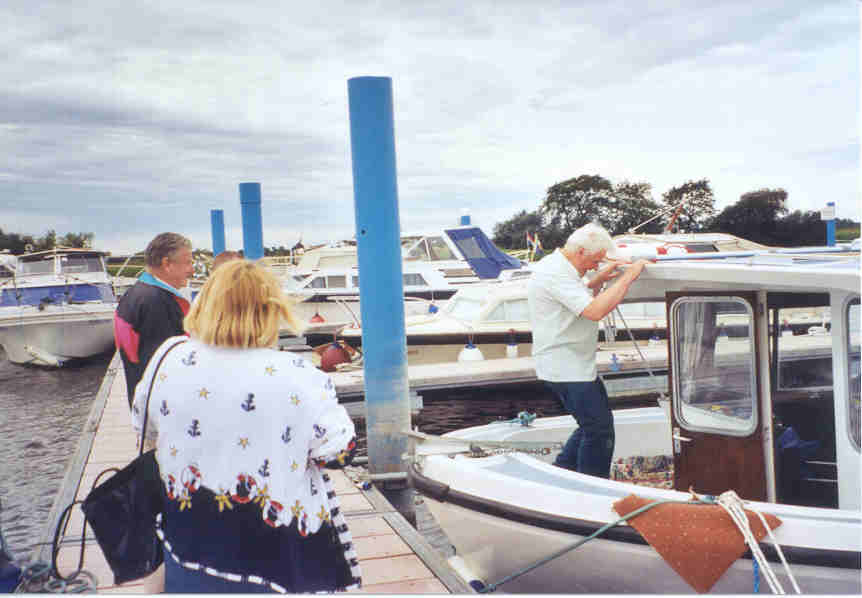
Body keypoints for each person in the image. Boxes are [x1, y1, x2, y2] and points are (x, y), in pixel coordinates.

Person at [131, 260, 361, 593]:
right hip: (277, 557)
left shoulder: (168, 358)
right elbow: (338, 452)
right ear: (271, 310)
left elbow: (143, 425)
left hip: (188, 542)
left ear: (206, 304)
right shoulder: (297, 373)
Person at [527, 223, 649, 478]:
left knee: (589, 426)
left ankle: (562, 474)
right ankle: (592, 486)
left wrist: (599, 280)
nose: (595, 266)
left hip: (568, 364)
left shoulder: (560, 267)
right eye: (595, 261)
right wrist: (629, 276)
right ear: (581, 251)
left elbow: (574, 299)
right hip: (565, 366)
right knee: (599, 430)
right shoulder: (555, 274)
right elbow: (594, 311)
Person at [114, 233, 195, 406]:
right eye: (188, 262)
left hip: (142, 398)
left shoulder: (136, 293)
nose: (192, 270)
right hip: (162, 405)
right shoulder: (156, 301)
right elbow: (166, 362)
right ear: (167, 264)